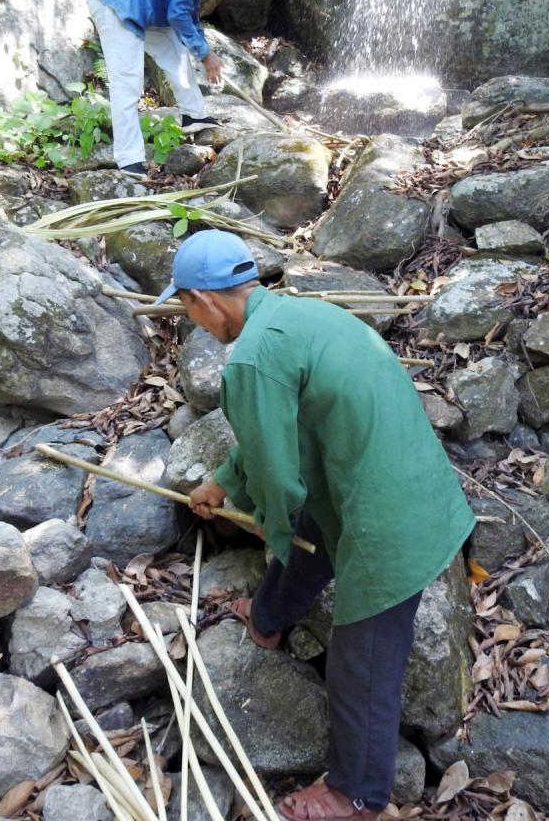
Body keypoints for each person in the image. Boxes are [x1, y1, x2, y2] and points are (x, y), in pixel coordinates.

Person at [155, 230, 475, 821]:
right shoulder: (298, 316)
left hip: (389, 516)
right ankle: (271, 618)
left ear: (201, 299)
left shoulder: (251, 356)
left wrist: (270, 529)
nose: (194, 321)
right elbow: (268, 435)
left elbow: (278, 481)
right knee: (313, 534)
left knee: (363, 657)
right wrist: (223, 482)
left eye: (187, 309)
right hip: (402, 479)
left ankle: (356, 793)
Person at [85, 0, 257, 179]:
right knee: (127, 82)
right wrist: (206, 55)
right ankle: (128, 160)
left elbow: (188, 14)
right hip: (117, 2)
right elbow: (178, 14)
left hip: (146, 8)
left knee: (176, 50)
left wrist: (204, 51)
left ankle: (193, 115)